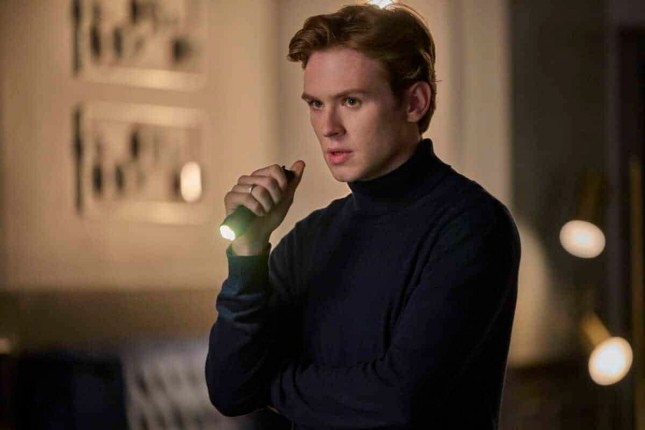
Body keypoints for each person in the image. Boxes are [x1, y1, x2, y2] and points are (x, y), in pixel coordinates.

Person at [206, 3, 521, 429]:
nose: (328, 126)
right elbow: (230, 390)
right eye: (316, 104)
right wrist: (248, 255)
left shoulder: (473, 226)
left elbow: (398, 402)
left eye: (351, 101)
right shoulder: (311, 236)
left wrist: (273, 386)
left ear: (414, 102)